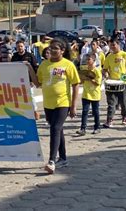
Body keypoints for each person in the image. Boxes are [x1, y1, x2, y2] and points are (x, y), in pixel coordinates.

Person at [35, 39, 80, 174]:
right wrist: (29, 67)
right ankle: (63, 158)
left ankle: (51, 160)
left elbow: (76, 84)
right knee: (58, 129)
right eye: (51, 48)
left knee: (55, 128)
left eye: (56, 48)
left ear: (62, 51)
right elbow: (38, 83)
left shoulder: (68, 65)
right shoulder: (44, 65)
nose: (53, 50)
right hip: (48, 104)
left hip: (63, 103)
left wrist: (73, 106)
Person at [102, 38, 126, 128]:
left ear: (118, 45)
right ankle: (109, 119)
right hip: (112, 82)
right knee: (111, 102)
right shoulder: (109, 56)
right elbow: (104, 69)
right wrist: (105, 74)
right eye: (111, 45)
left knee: (123, 102)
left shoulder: (125, 55)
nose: (112, 47)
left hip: (123, 81)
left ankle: (124, 116)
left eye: (114, 45)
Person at [11, 40, 40, 120]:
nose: (19, 48)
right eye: (18, 47)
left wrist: (33, 81)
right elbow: (11, 68)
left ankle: (35, 111)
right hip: (17, 81)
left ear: (24, 46)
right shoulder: (14, 56)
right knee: (18, 97)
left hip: (28, 80)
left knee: (31, 96)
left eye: (21, 46)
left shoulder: (30, 56)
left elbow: (35, 68)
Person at [76, 53, 102, 135]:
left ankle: (97, 127)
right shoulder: (85, 70)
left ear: (93, 60)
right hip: (86, 94)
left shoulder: (97, 71)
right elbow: (82, 81)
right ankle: (83, 128)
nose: (87, 61)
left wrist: (90, 79)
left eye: (89, 59)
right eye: (87, 59)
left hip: (95, 94)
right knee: (85, 111)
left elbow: (98, 83)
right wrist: (81, 79)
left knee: (96, 111)